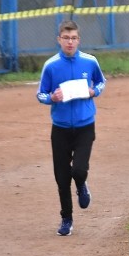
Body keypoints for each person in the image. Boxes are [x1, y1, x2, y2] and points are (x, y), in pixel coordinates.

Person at [36, 20, 106, 237]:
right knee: (62, 176)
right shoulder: (51, 66)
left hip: (85, 125)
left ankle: (82, 185)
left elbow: (101, 82)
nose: (70, 42)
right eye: (66, 38)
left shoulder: (89, 61)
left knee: (79, 170)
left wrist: (94, 92)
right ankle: (66, 218)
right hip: (61, 128)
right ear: (59, 40)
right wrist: (51, 98)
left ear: (79, 40)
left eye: (74, 38)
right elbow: (41, 93)